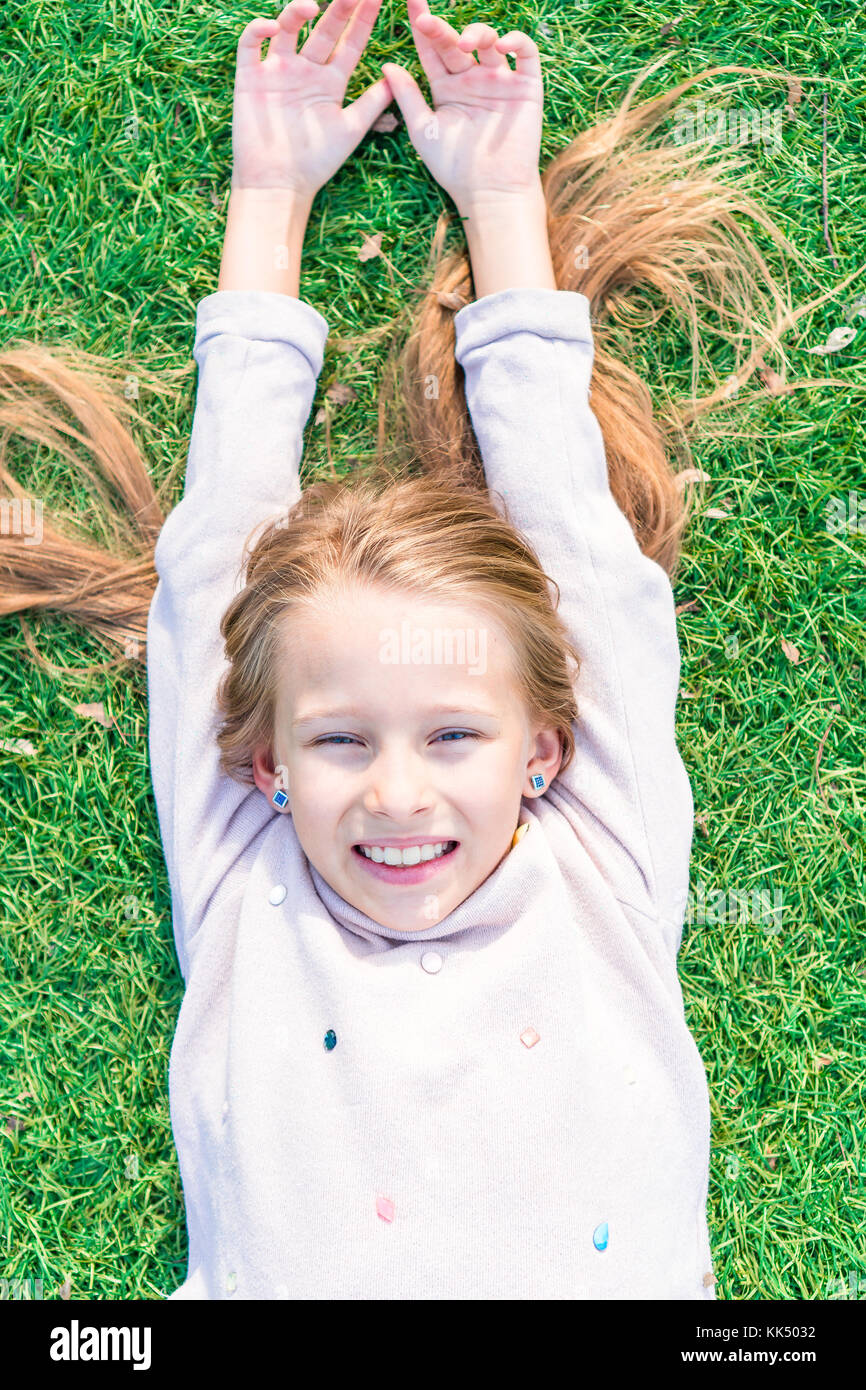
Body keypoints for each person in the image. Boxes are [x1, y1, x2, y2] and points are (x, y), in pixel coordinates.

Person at [0, 0, 813, 1299]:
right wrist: (264, 191)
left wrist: (499, 199)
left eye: (450, 732)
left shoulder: (599, 851)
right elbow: (216, 559)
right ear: (263, 761)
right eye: (335, 738)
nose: (393, 789)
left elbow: (578, 554)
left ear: (545, 747)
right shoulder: (245, 869)